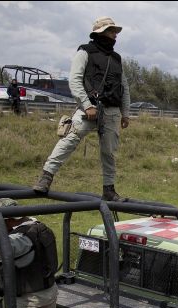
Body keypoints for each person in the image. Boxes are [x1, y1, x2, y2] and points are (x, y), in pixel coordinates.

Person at [33, 16, 131, 201]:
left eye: (115, 31)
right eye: (111, 31)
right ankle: (46, 177)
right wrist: (87, 106)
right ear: (101, 32)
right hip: (89, 108)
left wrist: (125, 113)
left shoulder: (116, 58)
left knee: (109, 152)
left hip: (111, 111)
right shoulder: (84, 52)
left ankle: (109, 189)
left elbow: (123, 87)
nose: (115, 35)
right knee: (69, 140)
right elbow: (75, 81)